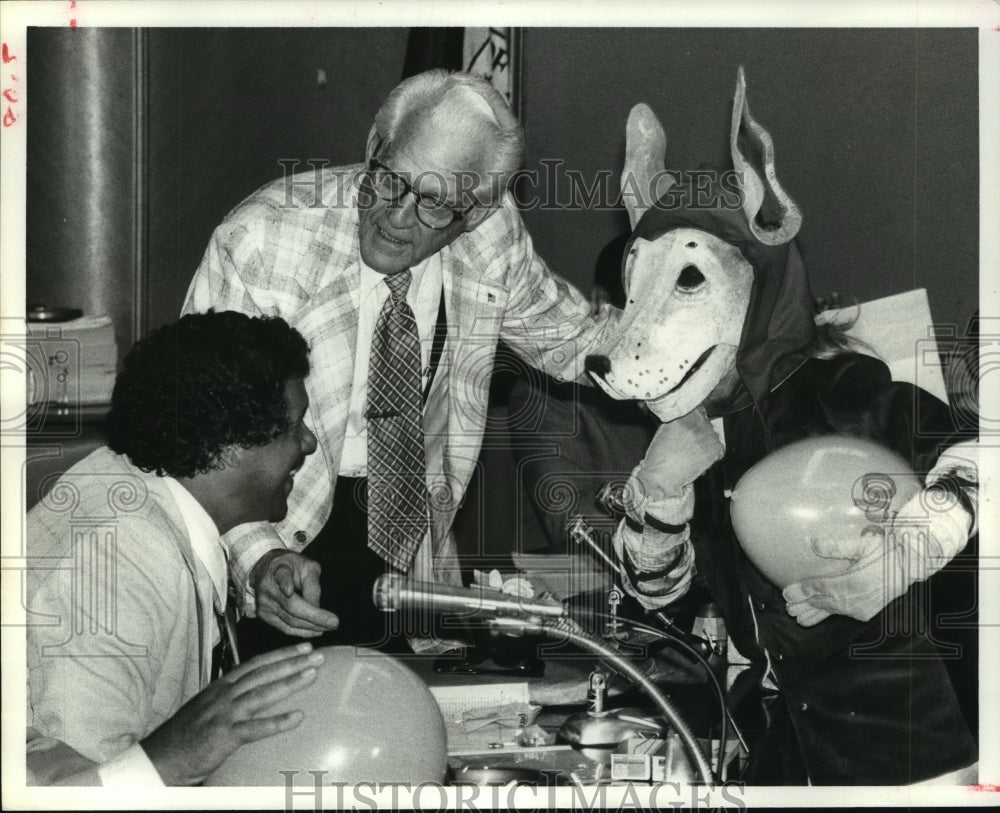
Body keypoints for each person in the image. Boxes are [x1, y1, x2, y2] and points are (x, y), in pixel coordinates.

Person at [182, 69, 619, 655]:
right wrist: (260, 556)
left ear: (478, 211)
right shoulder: (265, 240)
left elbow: (576, 342)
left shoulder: (493, 237)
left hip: (403, 531)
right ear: (372, 150)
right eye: (389, 180)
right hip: (272, 519)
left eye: (436, 204)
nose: (396, 216)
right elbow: (203, 437)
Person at [26, 311, 322, 786]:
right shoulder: (118, 554)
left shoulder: (148, 499)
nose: (308, 443)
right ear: (227, 447)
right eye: (294, 426)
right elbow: (76, 786)